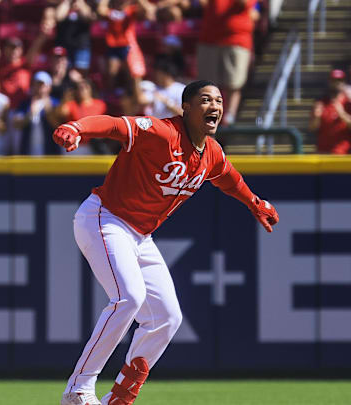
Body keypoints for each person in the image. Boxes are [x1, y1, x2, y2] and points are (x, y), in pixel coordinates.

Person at [55, 80, 278, 405]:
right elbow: (115, 125)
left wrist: (254, 202)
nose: (214, 105)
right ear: (185, 108)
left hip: (140, 236)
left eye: (218, 100)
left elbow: (229, 178)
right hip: (105, 218)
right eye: (205, 100)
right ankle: (78, 390)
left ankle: (120, 398)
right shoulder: (161, 132)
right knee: (129, 298)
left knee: (167, 317)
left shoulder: (211, 153)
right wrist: (77, 127)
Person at [197, 0, 258, 126]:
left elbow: (245, 3)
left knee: (233, 83)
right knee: (207, 85)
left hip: (236, 38)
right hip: (210, 38)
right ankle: (209, 118)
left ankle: (228, 119)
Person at [310, 69, 351, 154]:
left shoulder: (349, 103)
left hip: (343, 152)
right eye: (334, 81)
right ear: (329, 82)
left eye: (340, 81)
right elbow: (312, 128)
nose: (337, 83)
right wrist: (316, 117)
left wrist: (342, 114)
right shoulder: (321, 103)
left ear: (344, 82)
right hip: (324, 152)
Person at [13, 71, 61, 155]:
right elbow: (16, 124)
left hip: (50, 153)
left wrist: (49, 113)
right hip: (28, 153)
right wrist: (29, 115)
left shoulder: (56, 103)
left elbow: (60, 127)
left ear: (49, 87)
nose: (40, 87)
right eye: (37, 84)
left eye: (43, 84)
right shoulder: (25, 104)